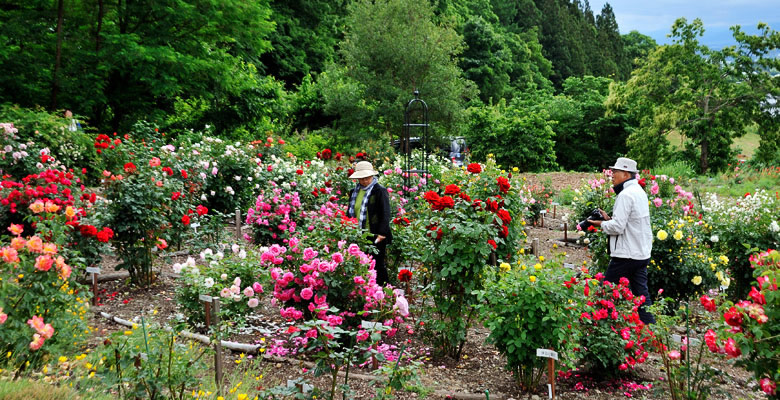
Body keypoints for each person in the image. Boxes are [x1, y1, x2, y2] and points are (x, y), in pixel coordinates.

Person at [588, 157, 655, 324]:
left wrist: (601, 224)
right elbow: (628, 222)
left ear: (625, 174)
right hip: (641, 253)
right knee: (642, 296)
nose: (612, 175)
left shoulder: (625, 195)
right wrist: (609, 218)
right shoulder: (639, 192)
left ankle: (596, 324)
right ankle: (652, 330)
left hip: (627, 254)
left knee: (606, 291)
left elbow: (618, 227)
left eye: (615, 172)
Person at [347, 161, 393, 286]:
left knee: (377, 265)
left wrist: (382, 233)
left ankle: (385, 293)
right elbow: (350, 212)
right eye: (361, 178)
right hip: (358, 235)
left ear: (372, 176)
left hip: (376, 235)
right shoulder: (354, 192)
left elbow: (385, 212)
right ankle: (366, 292)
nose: (364, 181)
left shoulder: (379, 191)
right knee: (360, 264)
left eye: (367, 177)